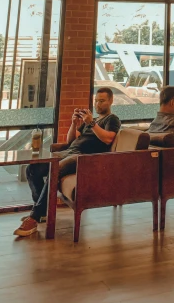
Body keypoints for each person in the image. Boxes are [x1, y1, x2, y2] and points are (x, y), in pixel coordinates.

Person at [14, 86, 121, 237]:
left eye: (102, 101)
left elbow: (108, 138)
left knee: (55, 170)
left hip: (85, 157)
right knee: (32, 169)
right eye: (96, 101)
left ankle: (34, 217)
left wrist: (91, 124)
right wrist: (74, 123)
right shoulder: (91, 120)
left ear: (110, 101)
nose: (97, 104)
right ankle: (43, 212)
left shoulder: (112, 119)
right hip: (69, 152)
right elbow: (71, 140)